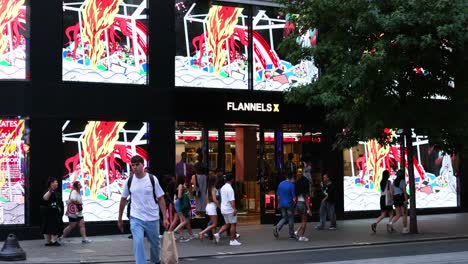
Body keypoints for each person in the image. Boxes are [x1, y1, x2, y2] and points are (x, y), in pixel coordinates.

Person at [117, 155, 169, 264]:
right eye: (133, 165)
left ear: (143, 165)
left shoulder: (152, 179)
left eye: (137, 165)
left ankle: (155, 261)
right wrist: (120, 218)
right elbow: (123, 200)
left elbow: (160, 198)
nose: (134, 167)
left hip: (152, 217)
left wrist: (165, 217)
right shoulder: (129, 181)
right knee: (138, 241)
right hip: (136, 217)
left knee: (155, 244)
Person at [213, 173, 241, 246]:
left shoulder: (223, 187)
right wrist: (234, 209)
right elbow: (232, 201)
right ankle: (232, 240)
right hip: (229, 209)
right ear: (232, 179)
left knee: (227, 224)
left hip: (223, 208)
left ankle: (218, 234)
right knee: (233, 224)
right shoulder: (230, 189)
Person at [170, 174, 195, 242]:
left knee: (181, 220)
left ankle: (181, 235)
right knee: (184, 221)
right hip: (179, 203)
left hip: (177, 203)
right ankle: (174, 231)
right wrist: (185, 194)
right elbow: (179, 196)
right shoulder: (180, 185)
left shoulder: (179, 185)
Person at [273, 172, 296, 239]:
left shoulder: (280, 184)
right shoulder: (291, 185)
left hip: (282, 204)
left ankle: (277, 228)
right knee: (291, 218)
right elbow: (294, 198)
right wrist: (294, 205)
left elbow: (278, 196)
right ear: (291, 178)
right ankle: (291, 234)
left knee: (284, 218)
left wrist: (278, 203)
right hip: (289, 205)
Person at [41, 177, 62, 246]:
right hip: (48, 212)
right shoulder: (47, 191)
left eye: (57, 182)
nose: (57, 183)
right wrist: (50, 191)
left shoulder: (57, 192)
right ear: (51, 183)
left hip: (56, 212)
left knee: (56, 226)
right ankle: (49, 241)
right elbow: (45, 198)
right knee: (48, 226)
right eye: (55, 182)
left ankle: (53, 240)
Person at [198, 174, 220, 240]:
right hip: (212, 207)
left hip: (208, 206)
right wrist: (220, 207)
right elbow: (214, 199)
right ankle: (202, 232)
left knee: (213, 223)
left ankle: (214, 238)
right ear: (215, 180)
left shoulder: (208, 188)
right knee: (214, 224)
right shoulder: (213, 189)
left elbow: (206, 199)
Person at [387, 169, 409, 234]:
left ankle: (390, 223)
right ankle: (405, 229)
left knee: (398, 214)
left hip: (396, 198)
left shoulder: (394, 182)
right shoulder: (402, 181)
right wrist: (406, 200)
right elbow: (404, 192)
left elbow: (392, 192)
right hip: (401, 197)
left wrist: (393, 199)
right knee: (404, 214)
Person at [295, 175, 312, 241]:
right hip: (303, 205)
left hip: (298, 204)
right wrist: (309, 209)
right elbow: (306, 201)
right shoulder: (304, 192)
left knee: (303, 220)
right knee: (304, 221)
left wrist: (296, 209)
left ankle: (297, 232)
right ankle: (301, 236)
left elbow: (296, 199)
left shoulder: (298, 190)